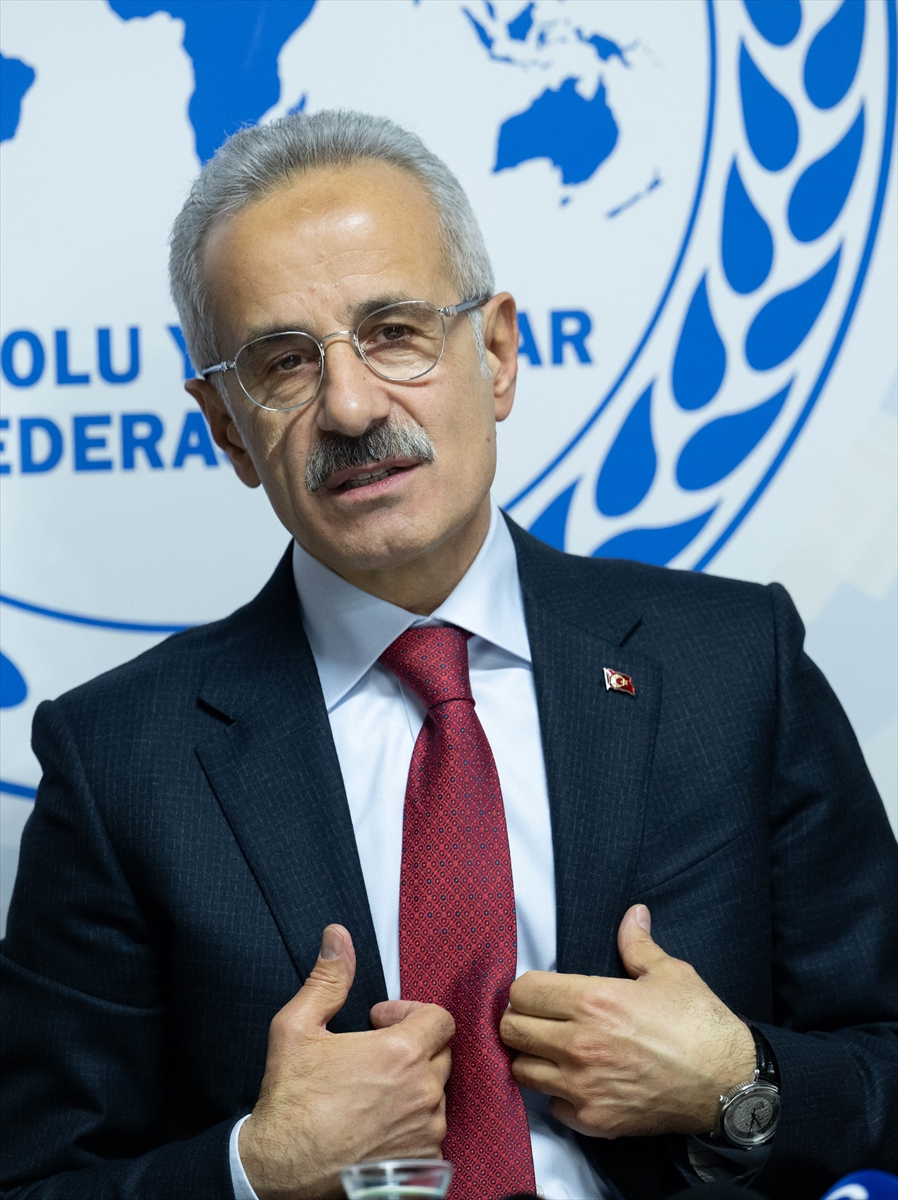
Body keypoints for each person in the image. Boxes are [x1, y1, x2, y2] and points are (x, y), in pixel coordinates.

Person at [1, 110, 895, 1200]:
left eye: (393, 332)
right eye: (284, 363)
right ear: (229, 428)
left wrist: (739, 1085)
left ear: (498, 354)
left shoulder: (734, 665)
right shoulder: (119, 761)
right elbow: (37, 1181)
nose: (350, 406)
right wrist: (254, 1167)